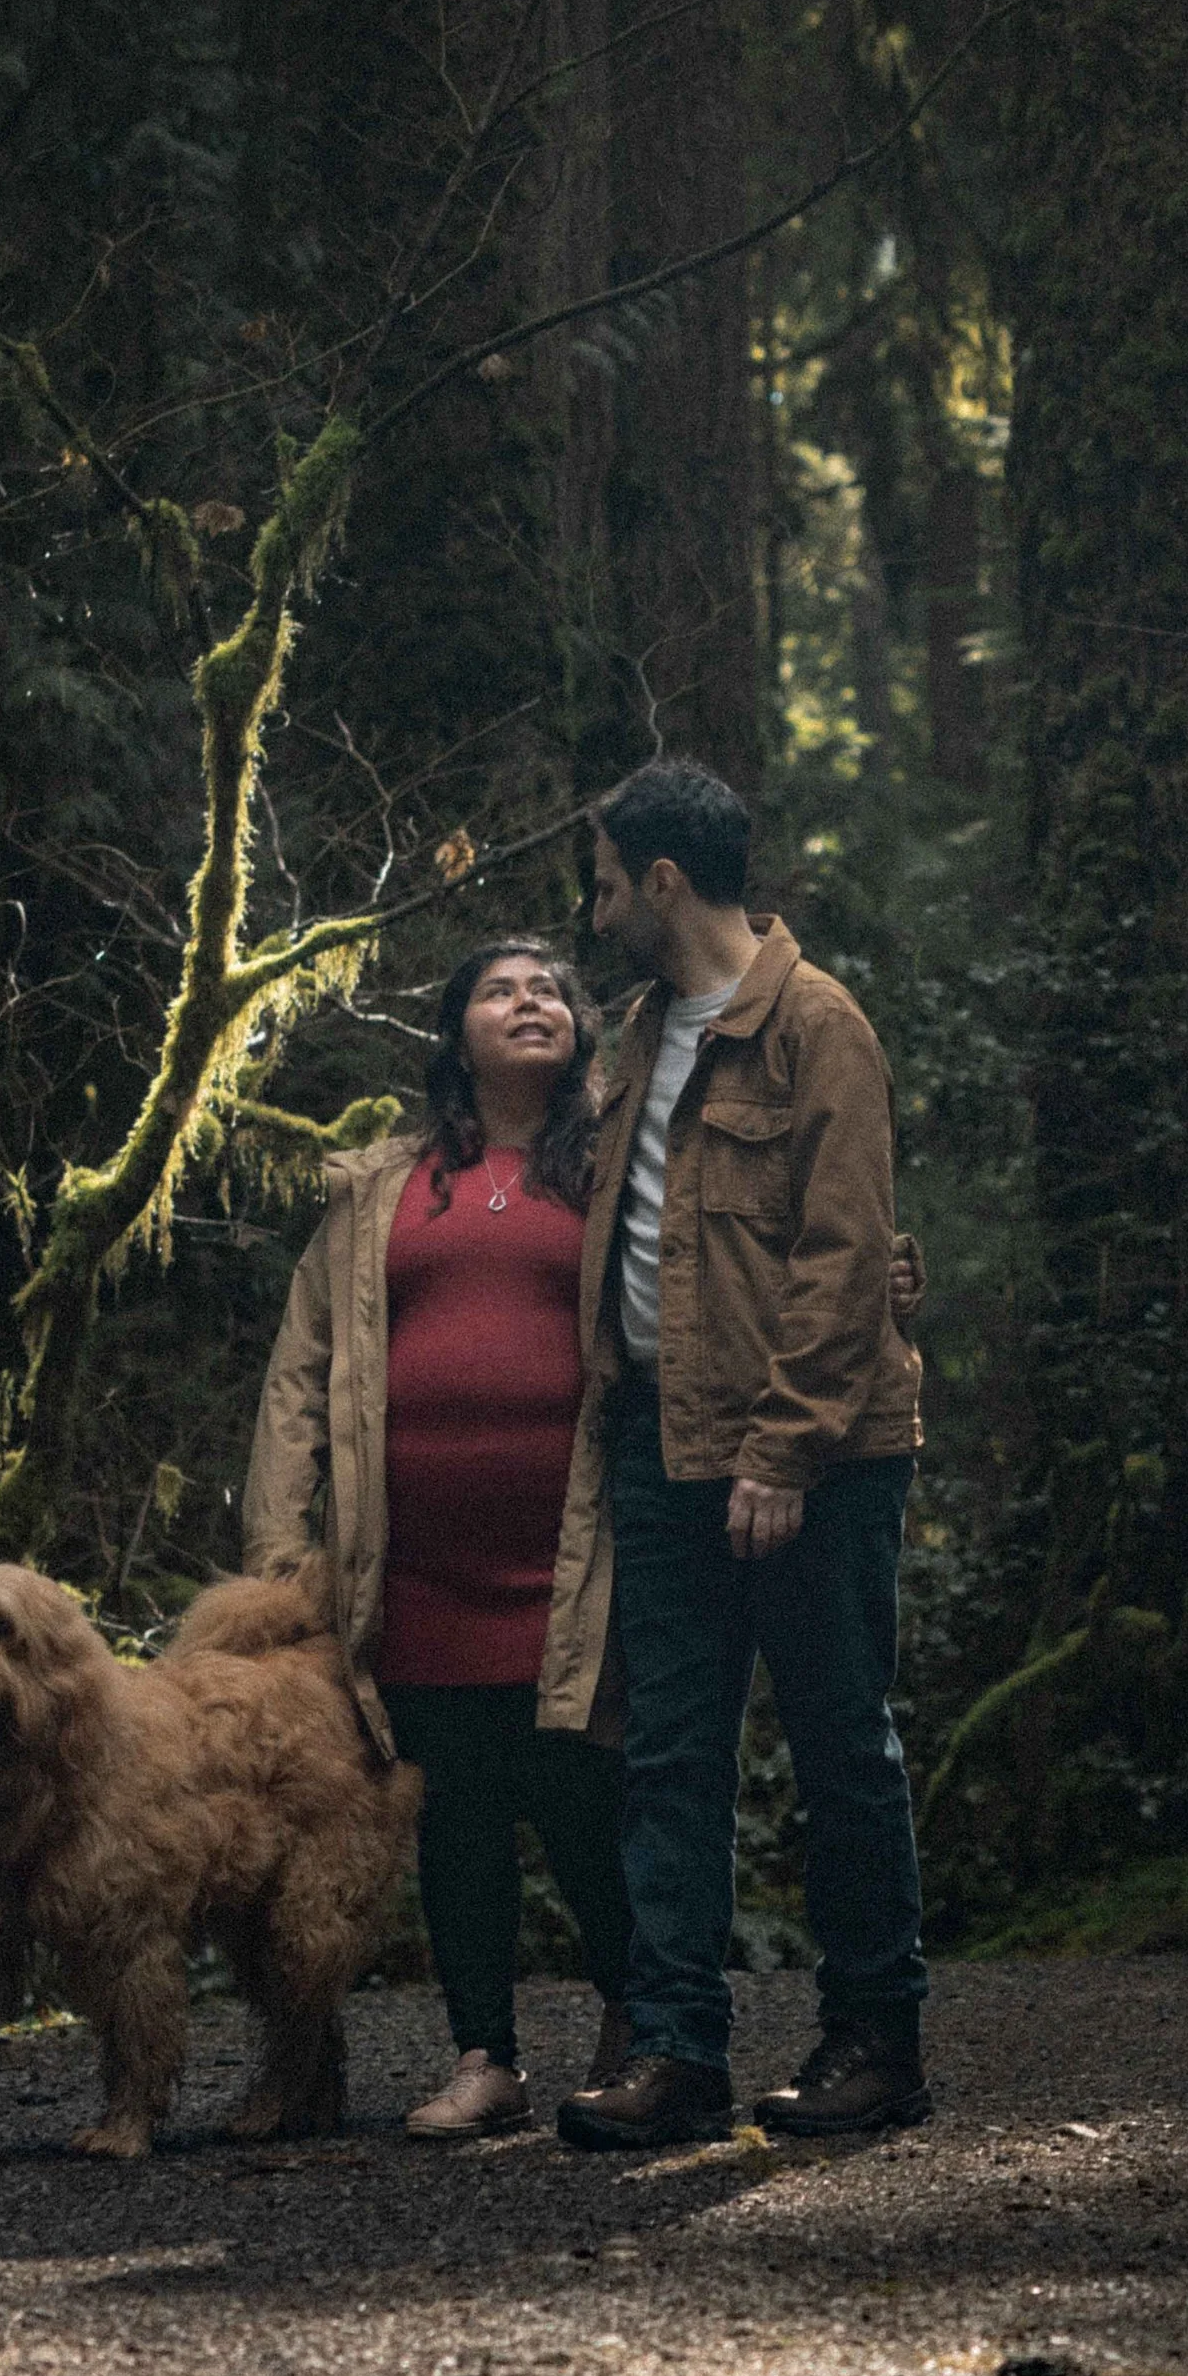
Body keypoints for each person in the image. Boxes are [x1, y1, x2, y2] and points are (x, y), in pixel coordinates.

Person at [549, 757, 931, 2151]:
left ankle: (875, 2040)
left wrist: (782, 1448)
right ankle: (675, 2052)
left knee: (840, 1746)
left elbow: (842, 1255)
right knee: (670, 1758)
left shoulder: (817, 1025)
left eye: (604, 884)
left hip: (815, 1458)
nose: (594, 912)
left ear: (662, 880)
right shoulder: (641, 1031)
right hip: (662, 1440)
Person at [242, 938, 634, 2138]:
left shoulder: (619, 1166)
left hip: (578, 1561)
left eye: (549, 988)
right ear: (457, 1030)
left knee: (584, 1801)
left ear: (580, 1026)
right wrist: (277, 1551)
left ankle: (641, 2024)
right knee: (456, 1814)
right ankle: (484, 2058)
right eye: (500, 989)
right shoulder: (381, 1185)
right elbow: (299, 1370)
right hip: (411, 1570)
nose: (530, 1001)